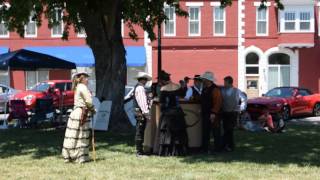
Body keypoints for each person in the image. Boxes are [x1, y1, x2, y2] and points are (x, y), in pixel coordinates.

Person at [62, 72, 95, 163]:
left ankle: (68, 156)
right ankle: (80, 157)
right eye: (86, 78)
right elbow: (88, 101)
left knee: (72, 135)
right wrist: (93, 110)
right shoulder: (83, 87)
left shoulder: (78, 87)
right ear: (82, 78)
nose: (88, 80)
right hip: (82, 113)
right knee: (81, 135)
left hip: (76, 112)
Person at [158, 71, 188, 156]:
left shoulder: (163, 89)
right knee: (179, 132)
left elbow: (161, 103)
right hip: (178, 112)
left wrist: (162, 110)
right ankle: (179, 152)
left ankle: (168, 152)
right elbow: (183, 95)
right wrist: (184, 86)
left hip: (168, 113)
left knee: (168, 133)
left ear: (163, 80)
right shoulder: (177, 86)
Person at [200, 71, 223, 153]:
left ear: (208, 80)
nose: (202, 80)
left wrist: (214, 113)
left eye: (204, 79)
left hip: (213, 115)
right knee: (205, 132)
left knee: (216, 132)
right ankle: (205, 148)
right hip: (205, 114)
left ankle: (217, 149)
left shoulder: (215, 90)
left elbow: (218, 102)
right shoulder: (205, 89)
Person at [133, 72, 152, 157]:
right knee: (140, 131)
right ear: (143, 79)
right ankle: (139, 151)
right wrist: (146, 112)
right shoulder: (140, 88)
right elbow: (142, 102)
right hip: (140, 113)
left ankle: (140, 150)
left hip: (139, 112)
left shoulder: (138, 87)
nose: (146, 81)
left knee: (140, 131)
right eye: (146, 79)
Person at [221, 76, 241, 152]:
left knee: (230, 129)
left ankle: (229, 145)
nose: (224, 84)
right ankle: (227, 145)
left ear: (229, 82)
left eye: (225, 82)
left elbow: (242, 101)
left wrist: (239, 109)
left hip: (233, 113)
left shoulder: (237, 91)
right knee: (226, 129)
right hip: (225, 112)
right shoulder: (222, 91)